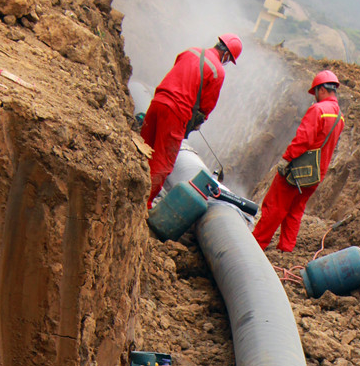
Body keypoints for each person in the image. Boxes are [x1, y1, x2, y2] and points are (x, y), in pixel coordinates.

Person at [140, 35, 243, 206]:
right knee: (162, 161)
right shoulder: (218, 71)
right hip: (176, 113)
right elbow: (207, 105)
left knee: (144, 148)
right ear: (226, 56)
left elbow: (177, 74)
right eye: (229, 60)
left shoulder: (191, 51)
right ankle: (145, 203)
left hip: (158, 101)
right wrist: (196, 122)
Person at [253, 69, 344, 255]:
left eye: (315, 92)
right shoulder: (339, 117)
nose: (315, 96)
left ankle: (256, 245)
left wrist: (286, 159)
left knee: (275, 206)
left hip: (298, 170)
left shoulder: (318, 110)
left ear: (321, 89)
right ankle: (286, 249)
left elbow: (303, 140)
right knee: (295, 210)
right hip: (316, 174)